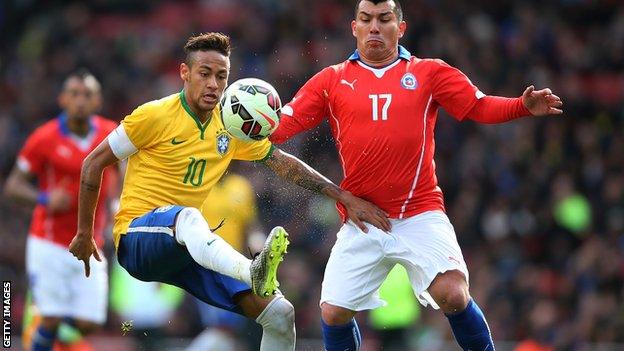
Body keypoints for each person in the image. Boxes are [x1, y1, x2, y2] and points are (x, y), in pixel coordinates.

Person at [269, 1, 564, 350]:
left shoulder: (429, 73)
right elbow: (280, 127)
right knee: (334, 312)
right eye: (366, 20)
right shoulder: (332, 80)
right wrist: (243, 128)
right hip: (362, 216)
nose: (374, 27)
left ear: (401, 28)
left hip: (419, 212)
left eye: (384, 19)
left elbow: (477, 105)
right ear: (354, 28)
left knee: (452, 294)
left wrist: (520, 106)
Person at [68, 32, 389, 351]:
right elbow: (92, 164)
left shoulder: (231, 123)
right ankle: (252, 271)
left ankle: (253, 275)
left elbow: (280, 162)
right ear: (185, 73)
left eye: (221, 76)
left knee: (280, 314)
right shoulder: (152, 116)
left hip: (184, 251)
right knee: (190, 217)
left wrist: (342, 195)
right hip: (137, 240)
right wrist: (85, 233)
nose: (213, 84)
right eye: (204, 74)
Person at [4, 70, 118, 351]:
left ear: (97, 101)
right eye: (74, 94)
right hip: (50, 242)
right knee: (52, 318)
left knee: (89, 323)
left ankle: (43, 319)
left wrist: (120, 201)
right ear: (63, 99)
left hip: (93, 243)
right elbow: (13, 186)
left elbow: (127, 165)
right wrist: (44, 199)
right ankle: (43, 322)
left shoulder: (110, 133)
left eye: (87, 95)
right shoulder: (44, 138)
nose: (80, 100)